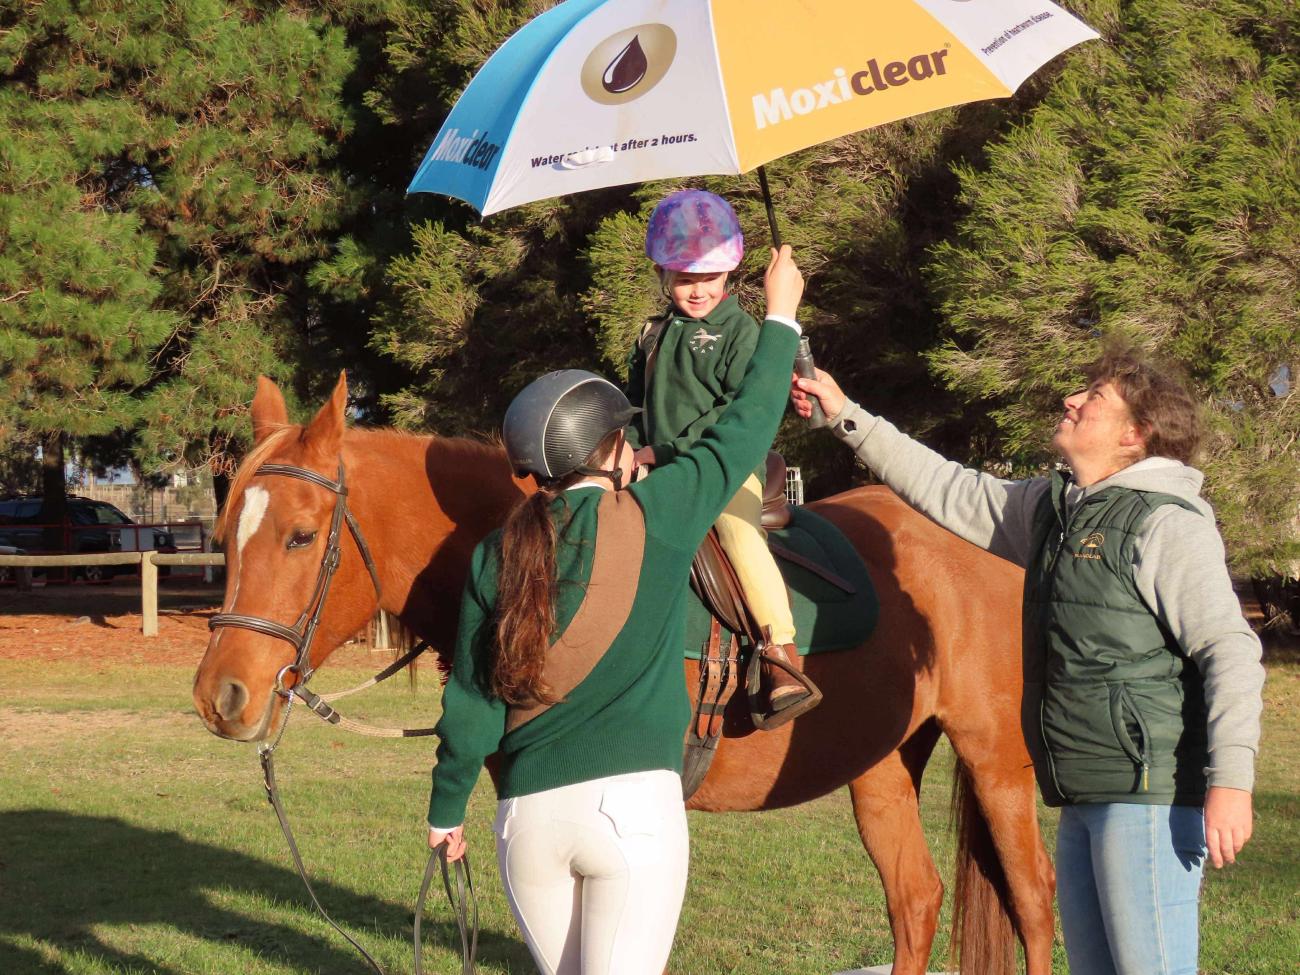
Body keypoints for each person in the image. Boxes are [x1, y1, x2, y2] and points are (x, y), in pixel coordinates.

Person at [792, 351, 1265, 975]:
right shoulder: (1052, 512)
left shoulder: (1166, 523)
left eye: (1093, 396)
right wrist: (847, 415)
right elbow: (945, 487)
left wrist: (1230, 782)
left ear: (1133, 435)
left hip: (1149, 795)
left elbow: (1229, 649)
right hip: (1079, 790)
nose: (1072, 400)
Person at [425, 247, 805, 975]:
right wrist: (781, 311)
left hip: (525, 822)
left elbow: (470, 703)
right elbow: (747, 426)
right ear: (616, 450)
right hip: (631, 815)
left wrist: (446, 810)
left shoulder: (493, 553)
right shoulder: (659, 511)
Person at [625, 188, 816, 724]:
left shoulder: (741, 331)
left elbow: (737, 413)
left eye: (708, 277)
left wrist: (663, 451)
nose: (697, 289)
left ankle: (781, 651)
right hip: (655, 467)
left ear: (730, 273)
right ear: (663, 275)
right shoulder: (653, 333)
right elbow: (635, 402)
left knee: (736, 530)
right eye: (685, 277)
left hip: (726, 468)